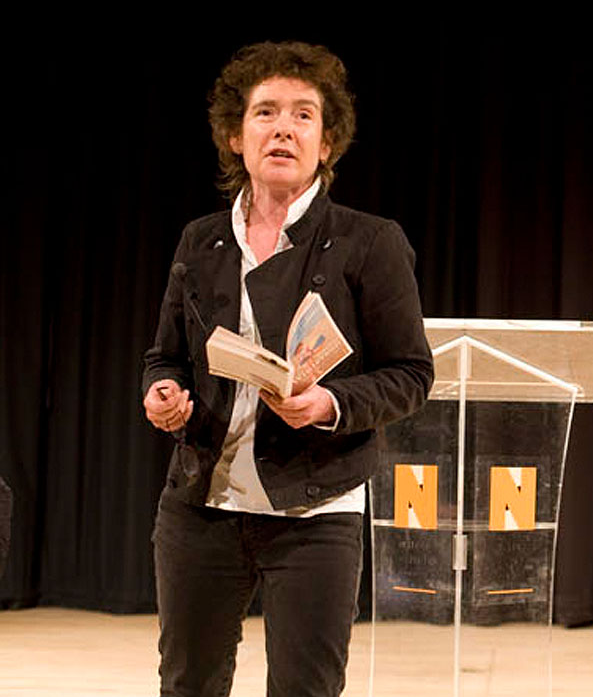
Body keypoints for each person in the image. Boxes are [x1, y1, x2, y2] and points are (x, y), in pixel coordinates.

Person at [141, 41, 434, 697]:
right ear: (234, 136)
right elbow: (166, 356)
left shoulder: (369, 242)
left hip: (317, 508)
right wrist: (164, 392)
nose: (283, 128)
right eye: (266, 112)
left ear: (326, 144)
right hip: (201, 503)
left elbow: (412, 374)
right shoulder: (201, 240)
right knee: (187, 684)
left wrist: (329, 404)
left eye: (304, 115)